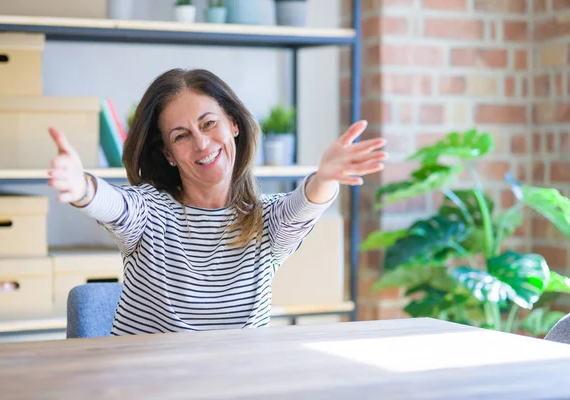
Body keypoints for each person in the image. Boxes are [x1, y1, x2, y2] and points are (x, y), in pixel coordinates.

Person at [47, 68, 387, 335]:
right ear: (168, 154)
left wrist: (326, 177)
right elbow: (114, 205)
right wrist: (82, 188)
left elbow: (306, 203)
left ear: (234, 124)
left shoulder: (266, 222)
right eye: (181, 136)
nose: (202, 143)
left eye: (209, 123)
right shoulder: (149, 212)